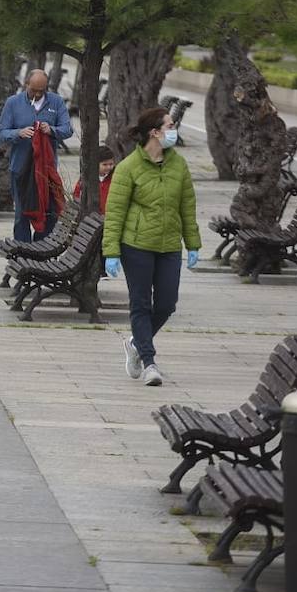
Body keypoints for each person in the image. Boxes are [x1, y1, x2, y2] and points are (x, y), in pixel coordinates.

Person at [103, 107, 201, 387]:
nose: (174, 129)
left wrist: (192, 243)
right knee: (141, 304)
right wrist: (111, 251)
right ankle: (148, 362)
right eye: (169, 125)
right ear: (155, 132)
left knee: (167, 303)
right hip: (137, 245)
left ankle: (135, 342)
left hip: (169, 245)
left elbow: (187, 206)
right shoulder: (128, 168)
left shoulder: (178, 165)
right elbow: (115, 213)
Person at [0, 69, 74, 241]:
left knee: (50, 213)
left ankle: (41, 249)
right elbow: (2, 133)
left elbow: (68, 129)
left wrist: (51, 130)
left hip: (46, 171)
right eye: (34, 90)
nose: (38, 94)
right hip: (21, 169)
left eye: (42, 90)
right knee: (22, 214)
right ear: (26, 84)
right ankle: (22, 252)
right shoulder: (13, 103)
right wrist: (19, 133)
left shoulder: (56, 102)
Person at [73, 145, 117, 215]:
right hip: (91, 217)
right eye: (105, 164)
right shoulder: (87, 178)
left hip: (110, 215)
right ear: (95, 164)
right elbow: (77, 194)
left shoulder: (116, 178)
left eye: (111, 164)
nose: (109, 167)